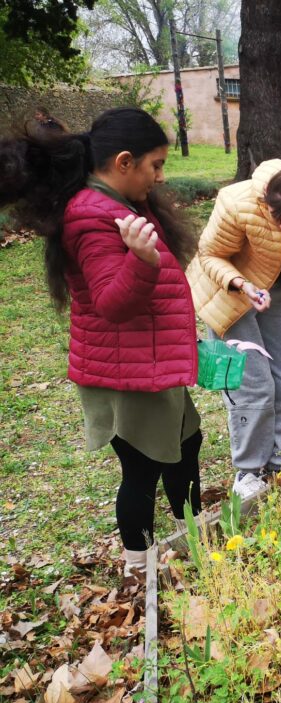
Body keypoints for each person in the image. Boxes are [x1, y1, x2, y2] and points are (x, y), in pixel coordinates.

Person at [0, 107, 202, 576]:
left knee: (187, 444)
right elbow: (112, 303)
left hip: (147, 362)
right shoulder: (91, 217)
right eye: (156, 164)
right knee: (143, 470)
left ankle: (188, 532)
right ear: (124, 162)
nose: (160, 176)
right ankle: (139, 567)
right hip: (125, 374)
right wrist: (142, 260)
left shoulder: (119, 204)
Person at [187, 159, 281, 499]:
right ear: (266, 199)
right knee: (253, 387)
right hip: (227, 292)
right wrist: (241, 284)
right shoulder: (235, 202)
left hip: (275, 288)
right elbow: (209, 255)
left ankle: (280, 462)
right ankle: (248, 471)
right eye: (276, 217)